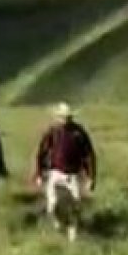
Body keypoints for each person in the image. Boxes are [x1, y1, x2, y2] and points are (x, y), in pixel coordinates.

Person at [32, 102, 97, 239]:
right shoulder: (52, 132)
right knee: (53, 205)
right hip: (56, 173)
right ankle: (59, 224)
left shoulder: (78, 133)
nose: (64, 120)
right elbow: (42, 152)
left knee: (75, 206)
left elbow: (88, 155)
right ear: (57, 117)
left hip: (73, 175)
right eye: (61, 117)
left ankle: (72, 235)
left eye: (67, 117)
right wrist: (39, 173)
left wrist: (91, 177)